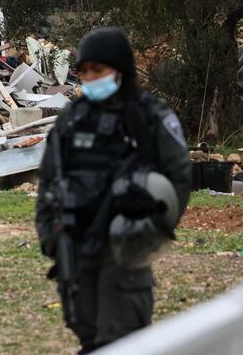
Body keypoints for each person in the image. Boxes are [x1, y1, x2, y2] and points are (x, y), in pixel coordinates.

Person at [36, 27, 191, 353]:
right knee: (89, 336)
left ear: (119, 71)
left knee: (120, 339)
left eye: (99, 70)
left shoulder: (148, 116)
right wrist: (50, 236)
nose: (91, 78)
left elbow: (178, 177)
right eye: (86, 71)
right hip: (76, 247)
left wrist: (153, 220)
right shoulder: (71, 121)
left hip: (124, 247)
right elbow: (49, 181)